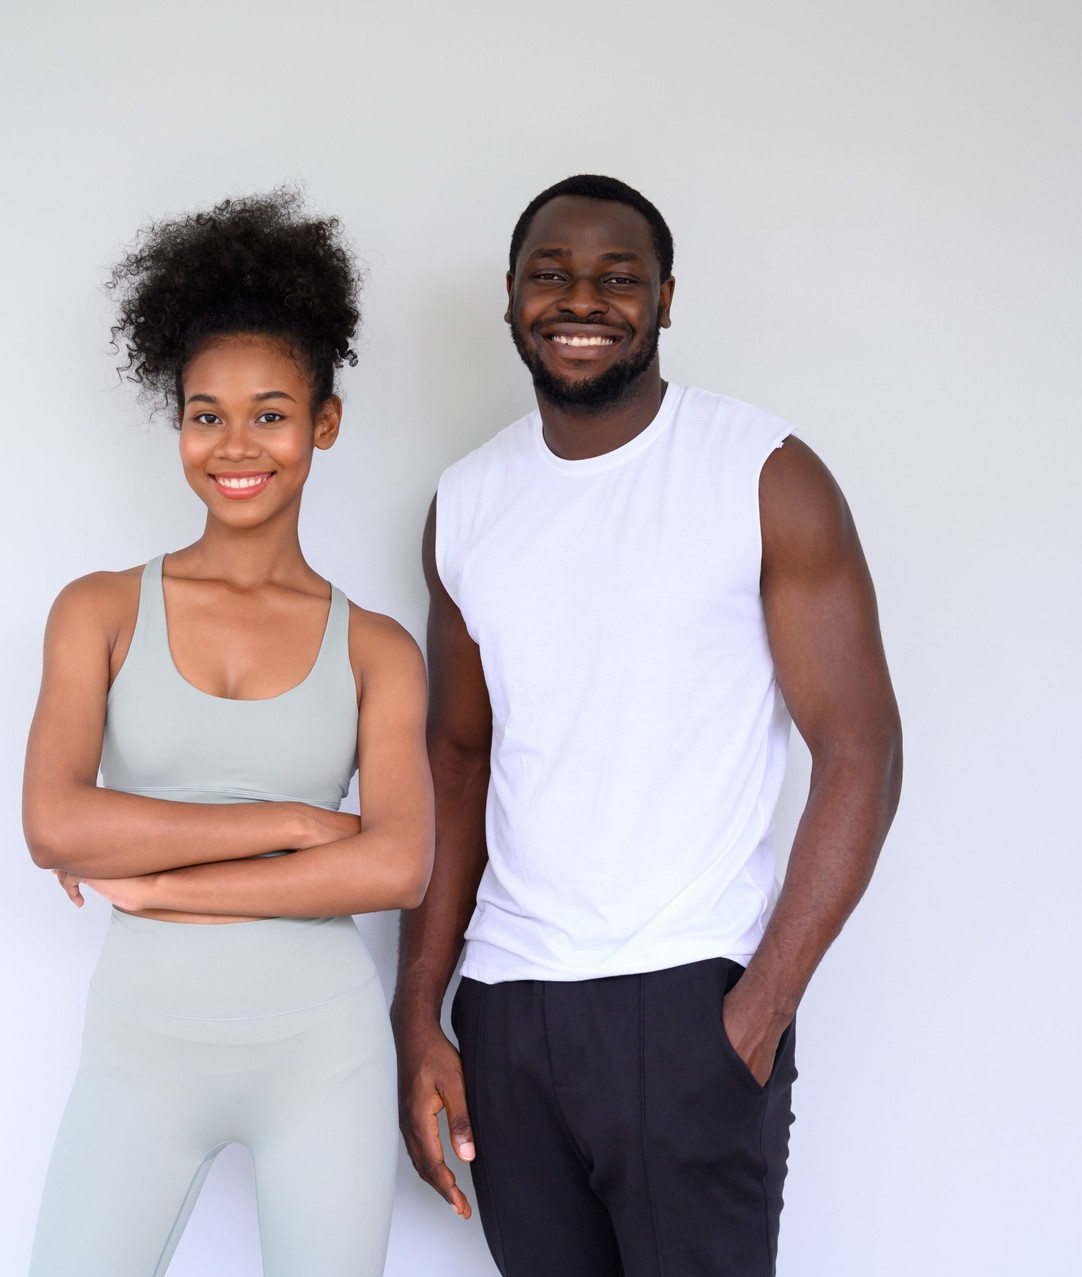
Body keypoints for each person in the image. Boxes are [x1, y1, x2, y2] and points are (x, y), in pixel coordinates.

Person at [392, 174, 904, 1276]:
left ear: (666, 298)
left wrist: (757, 1012)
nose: (583, 299)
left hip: (687, 993)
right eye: (552, 275)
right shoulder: (468, 502)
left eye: (619, 277)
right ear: (512, 301)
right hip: (508, 1006)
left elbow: (861, 749)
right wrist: (420, 1013)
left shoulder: (764, 473)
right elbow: (458, 759)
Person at [21, 189, 435, 1277]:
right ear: (178, 423)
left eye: (270, 411)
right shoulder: (99, 609)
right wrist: (296, 823)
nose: (236, 444)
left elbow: (397, 860)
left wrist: (165, 885)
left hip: (322, 1052)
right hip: (140, 1052)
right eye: (206, 413)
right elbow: (53, 819)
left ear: (324, 422)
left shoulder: (378, 647)